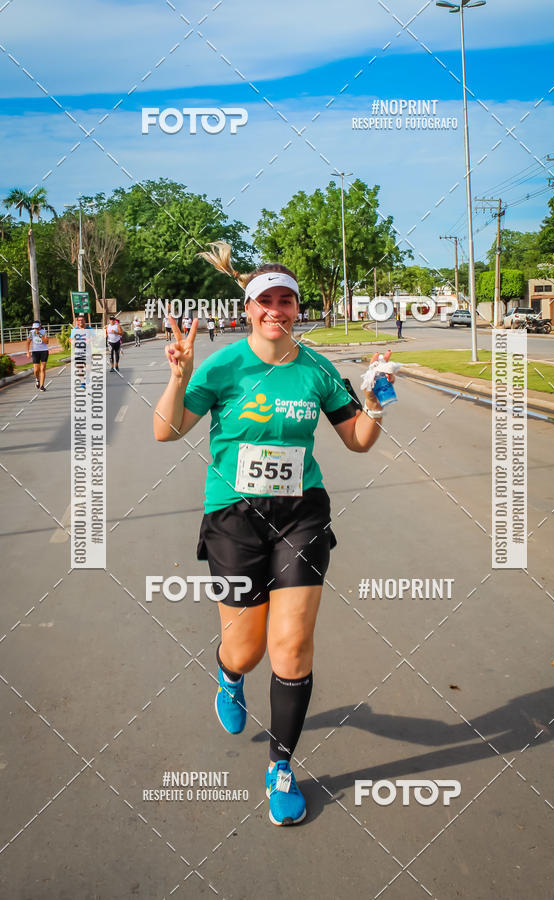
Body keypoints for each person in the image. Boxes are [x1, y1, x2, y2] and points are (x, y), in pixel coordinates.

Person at [153, 241, 393, 827]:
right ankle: (229, 674)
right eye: (266, 301)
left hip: (300, 514)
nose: (276, 311)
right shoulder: (224, 366)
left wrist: (374, 402)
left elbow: (357, 441)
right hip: (234, 515)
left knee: (291, 646)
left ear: (296, 308)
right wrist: (180, 377)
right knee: (248, 647)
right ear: (250, 306)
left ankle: (281, 767)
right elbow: (166, 431)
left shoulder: (315, 369)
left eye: (286, 300)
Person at [27, 320, 49, 391]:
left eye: (37, 327)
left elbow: (46, 342)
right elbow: (28, 342)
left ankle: (42, 386)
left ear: (40, 326)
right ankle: (37, 379)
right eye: (34, 328)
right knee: (36, 370)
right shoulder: (31, 332)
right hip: (35, 351)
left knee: (42, 368)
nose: (35, 329)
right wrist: (28, 352)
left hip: (44, 351)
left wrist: (39, 334)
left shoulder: (44, 332)